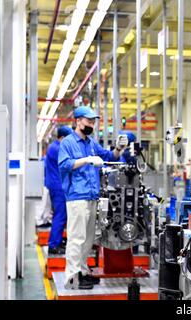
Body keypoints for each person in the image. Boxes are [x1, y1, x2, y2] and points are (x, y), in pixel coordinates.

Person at [58, 106, 128, 290]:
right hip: (77, 197)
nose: (92, 124)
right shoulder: (68, 143)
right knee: (76, 239)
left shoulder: (91, 143)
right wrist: (87, 160)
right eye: (89, 121)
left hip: (91, 196)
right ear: (78, 121)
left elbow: (108, 156)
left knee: (88, 239)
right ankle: (72, 278)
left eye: (93, 121)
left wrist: (119, 149)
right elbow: (64, 165)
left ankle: (82, 272)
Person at [46, 125, 73, 254]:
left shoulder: (55, 147)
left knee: (61, 215)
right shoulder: (57, 149)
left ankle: (57, 241)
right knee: (60, 215)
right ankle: (53, 245)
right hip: (58, 187)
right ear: (62, 137)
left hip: (57, 186)